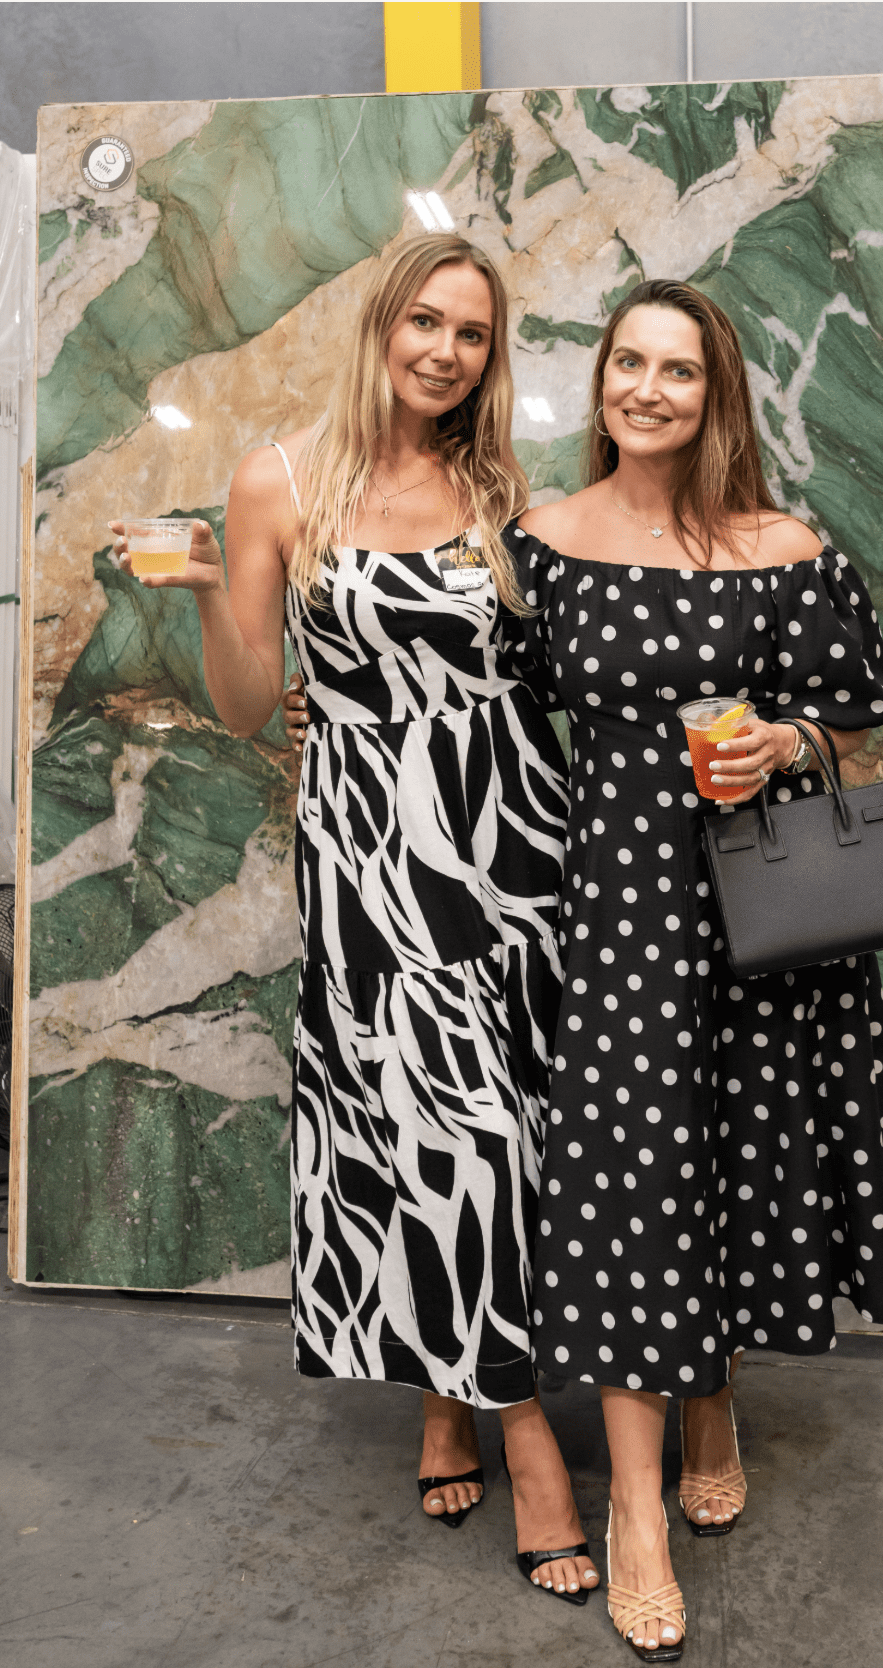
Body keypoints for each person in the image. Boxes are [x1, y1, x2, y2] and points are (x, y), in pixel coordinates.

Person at [112, 232, 600, 1605]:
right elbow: (246, 707)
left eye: (472, 335)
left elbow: (548, 679)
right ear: (382, 322)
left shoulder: (502, 489)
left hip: (515, 856)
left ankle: (447, 1395)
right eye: (426, 321)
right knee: (439, 1131)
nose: (446, 352)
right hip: (376, 861)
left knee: (502, 1138)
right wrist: (206, 589)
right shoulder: (278, 480)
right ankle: (525, 1439)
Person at [507, 278, 883, 1661]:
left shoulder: (779, 547)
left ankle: (712, 1401)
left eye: (677, 369)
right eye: (628, 362)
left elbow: (845, 713)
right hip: (612, 914)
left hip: (752, 910)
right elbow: (491, 716)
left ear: (714, 393)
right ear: (601, 381)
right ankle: (636, 1512)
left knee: (731, 1162)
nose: (648, 388)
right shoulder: (542, 546)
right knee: (632, 1189)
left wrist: (784, 745)